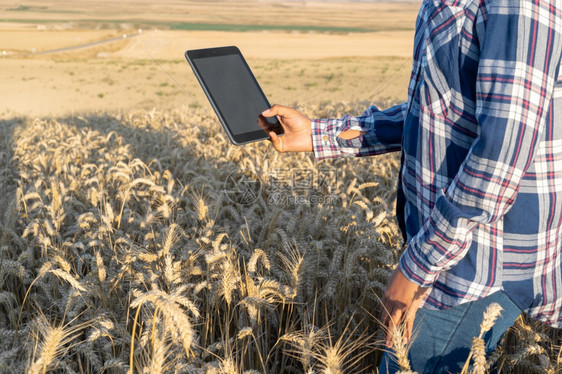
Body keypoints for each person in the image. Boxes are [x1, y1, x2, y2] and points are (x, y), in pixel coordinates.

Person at [259, 0, 562, 372]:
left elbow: (501, 155)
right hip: (447, 251)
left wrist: (417, 268)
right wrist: (320, 134)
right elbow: (439, 109)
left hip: (478, 264)